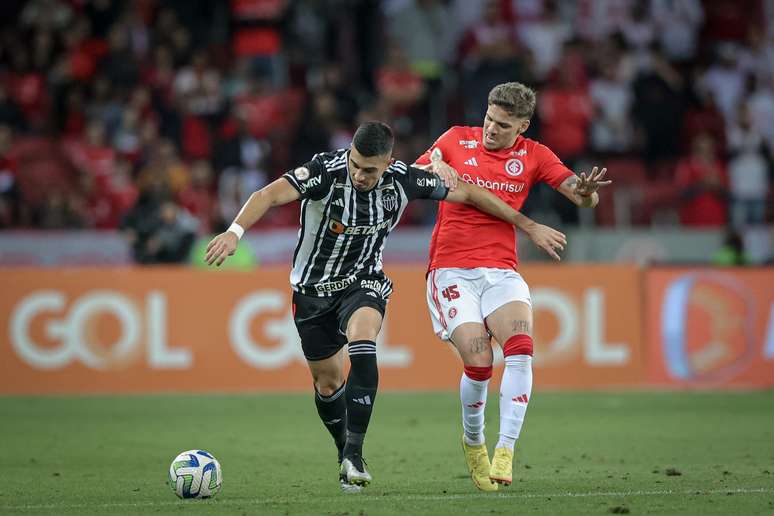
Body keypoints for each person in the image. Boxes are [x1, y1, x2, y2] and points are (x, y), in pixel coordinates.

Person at [204, 121, 566, 492]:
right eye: (356, 165)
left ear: (388, 162)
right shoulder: (323, 173)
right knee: (328, 383)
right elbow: (267, 194)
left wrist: (526, 223)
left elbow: (469, 194)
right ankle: (343, 449)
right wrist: (235, 233)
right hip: (312, 292)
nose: (360, 175)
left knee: (364, 342)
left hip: (364, 283)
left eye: (370, 169)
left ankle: (356, 454)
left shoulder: (404, 180)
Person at [414, 82, 611, 491]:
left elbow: (578, 194)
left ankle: (505, 448)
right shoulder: (454, 138)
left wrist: (588, 196)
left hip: (501, 269)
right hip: (451, 270)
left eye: (503, 125)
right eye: (489, 119)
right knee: (480, 361)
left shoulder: (535, 154)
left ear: (522, 126)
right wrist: (435, 164)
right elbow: (412, 174)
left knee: (520, 347)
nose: (491, 129)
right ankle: (474, 442)